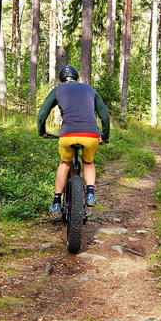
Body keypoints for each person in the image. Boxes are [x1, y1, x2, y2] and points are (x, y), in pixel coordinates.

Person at [37, 65, 110, 214]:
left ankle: (57, 202)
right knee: (88, 162)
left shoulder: (58, 90)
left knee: (64, 163)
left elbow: (42, 113)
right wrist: (105, 138)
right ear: (77, 79)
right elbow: (105, 116)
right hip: (91, 136)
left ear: (62, 81)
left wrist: (42, 131)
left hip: (68, 135)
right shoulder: (90, 90)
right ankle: (90, 193)